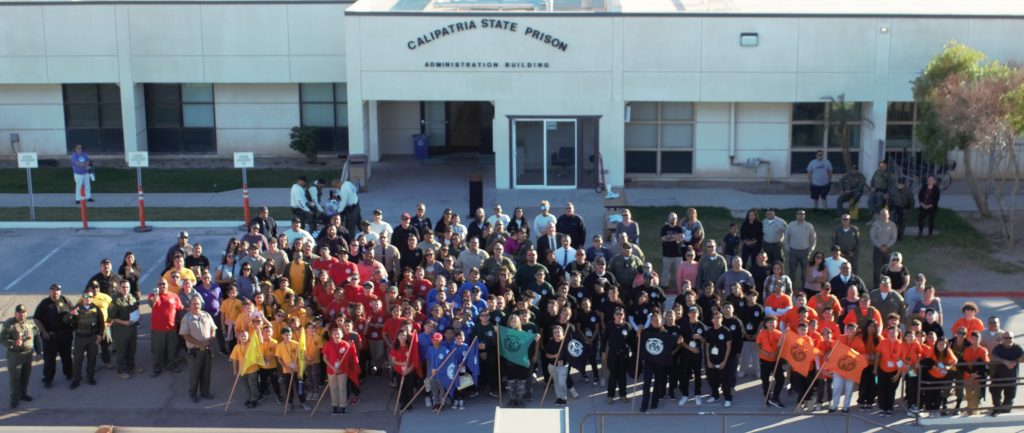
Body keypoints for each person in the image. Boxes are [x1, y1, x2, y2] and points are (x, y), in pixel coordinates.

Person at [33, 284, 74, 388]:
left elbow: (74, 312)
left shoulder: (65, 300)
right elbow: (36, 318)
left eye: (58, 290)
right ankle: (48, 379)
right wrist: (44, 332)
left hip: (65, 335)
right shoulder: (44, 303)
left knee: (67, 356)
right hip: (50, 336)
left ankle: (69, 374)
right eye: (53, 290)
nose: (56, 292)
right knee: (49, 359)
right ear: (50, 291)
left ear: (60, 291)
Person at [179, 296, 216, 403]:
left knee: (206, 373)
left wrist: (210, 339)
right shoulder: (186, 318)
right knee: (194, 374)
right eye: (194, 304)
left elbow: (213, 329)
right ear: (190, 305)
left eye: (198, 304)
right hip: (194, 351)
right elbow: (185, 335)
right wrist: (200, 343)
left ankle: (205, 392)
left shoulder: (207, 315)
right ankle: (193, 394)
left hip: (207, 350)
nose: (196, 306)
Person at [65, 288, 104, 389]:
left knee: (92, 359)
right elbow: (65, 320)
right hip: (80, 339)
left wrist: (100, 335)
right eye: (86, 297)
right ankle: (76, 380)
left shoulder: (95, 308)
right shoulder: (77, 308)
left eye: (90, 297)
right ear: (83, 297)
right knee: (78, 360)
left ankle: (90, 377)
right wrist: (71, 314)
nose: (88, 299)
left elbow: (101, 323)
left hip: (92, 338)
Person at [4, 304, 38, 408]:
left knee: (25, 376)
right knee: (15, 378)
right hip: (15, 355)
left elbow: (36, 339)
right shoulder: (9, 324)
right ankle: (14, 399)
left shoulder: (30, 324)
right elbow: (2, 339)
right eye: (19, 313)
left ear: (26, 314)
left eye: (23, 313)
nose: (21, 315)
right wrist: (14, 342)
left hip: (27, 354)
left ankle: (23, 394)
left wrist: (39, 352)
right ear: (15, 313)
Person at [108, 280, 142, 379]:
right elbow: (111, 317)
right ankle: (120, 370)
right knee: (122, 351)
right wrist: (124, 323)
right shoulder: (115, 300)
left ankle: (131, 367)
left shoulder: (131, 296)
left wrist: (138, 316)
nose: (125, 289)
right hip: (121, 330)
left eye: (127, 287)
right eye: (123, 287)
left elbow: (135, 307)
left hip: (132, 328)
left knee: (132, 349)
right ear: (119, 288)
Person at [150, 279, 183, 377]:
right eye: (159, 284)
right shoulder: (153, 295)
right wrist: (155, 298)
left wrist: (181, 322)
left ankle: (171, 365)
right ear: (157, 286)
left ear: (167, 285)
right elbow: (152, 304)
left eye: (164, 284)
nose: (162, 286)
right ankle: (157, 368)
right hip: (157, 329)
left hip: (171, 328)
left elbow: (180, 309)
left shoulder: (174, 296)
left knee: (171, 348)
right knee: (158, 349)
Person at [602, 306, 634, 404]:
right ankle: (610, 396)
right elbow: (604, 340)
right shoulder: (609, 325)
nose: (619, 316)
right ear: (614, 315)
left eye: (621, 314)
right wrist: (603, 352)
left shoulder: (627, 326)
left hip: (623, 355)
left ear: (623, 315)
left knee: (622, 376)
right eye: (617, 314)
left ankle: (623, 395)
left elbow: (632, 341)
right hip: (612, 354)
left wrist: (633, 352)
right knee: (613, 376)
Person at [989, 331, 1024, 416]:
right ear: (1002, 339)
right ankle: (997, 409)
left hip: (1011, 378)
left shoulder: (1017, 348)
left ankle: (1005, 410)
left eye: (1010, 338)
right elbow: (993, 357)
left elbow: (1023, 356)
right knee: (995, 394)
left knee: (1009, 400)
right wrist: (1005, 362)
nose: (1008, 339)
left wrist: (1015, 362)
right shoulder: (998, 348)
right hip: (998, 377)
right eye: (1006, 338)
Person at [829, 322, 860, 413]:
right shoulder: (840, 338)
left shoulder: (859, 340)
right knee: (837, 387)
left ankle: (846, 406)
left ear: (856, 331)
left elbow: (862, 355)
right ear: (846, 330)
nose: (851, 331)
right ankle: (834, 406)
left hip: (851, 369)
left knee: (849, 388)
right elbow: (834, 350)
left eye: (853, 329)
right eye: (849, 329)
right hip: (839, 367)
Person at [275, 326, 308, 410]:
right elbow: (279, 359)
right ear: (282, 335)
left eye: (290, 335)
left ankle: (303, 402)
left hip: (297, 370)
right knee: (288, 387)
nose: (288, 337)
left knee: (299, 387)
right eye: (286, 335)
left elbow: (300, 357)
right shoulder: (279, 346)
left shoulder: (296, 344)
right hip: (287, 371)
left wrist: (300, 369)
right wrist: (286, 367)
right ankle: (290, 402)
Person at [784, 210, 816, 289]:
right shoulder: (791, 225)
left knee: (805, 272)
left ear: (804, 216)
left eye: (802, 214)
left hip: (805, 252)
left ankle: (804, 288)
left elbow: (813, 239)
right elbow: (786, 238)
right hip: (793, 251)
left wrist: (811, 249)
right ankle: (790, 288)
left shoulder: (809, 226)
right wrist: (788, 249)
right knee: (792, 271)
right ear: (796, 215)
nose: (801, 215)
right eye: (799, 214)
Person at [961, 331, 990, 415]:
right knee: (968, 395)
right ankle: (971, 409)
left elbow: (985, 365)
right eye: (973, 339)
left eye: (977, 339)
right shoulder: (967, 350)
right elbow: (964, 364)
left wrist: (976, 374)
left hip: (978, 376)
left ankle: (974, 411)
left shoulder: (983, 350)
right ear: (971, 339)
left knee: (976, 395)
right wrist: (970, 374)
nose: (975, 341)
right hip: (968, 376)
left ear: (980, 339)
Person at [869, 209, 897, 289]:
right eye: (882, 214)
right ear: (879, 215)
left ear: (888, 215)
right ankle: (876, 286)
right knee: (877, 268)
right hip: (878, 250)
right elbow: (873, 236)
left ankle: (887, 285)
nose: (883, 216)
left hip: (888, 250)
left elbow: (893, 238)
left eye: (885, 214)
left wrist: (887, 246)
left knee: (888, 268)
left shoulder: (892, 225)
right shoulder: (875, 224)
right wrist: (880, 246)